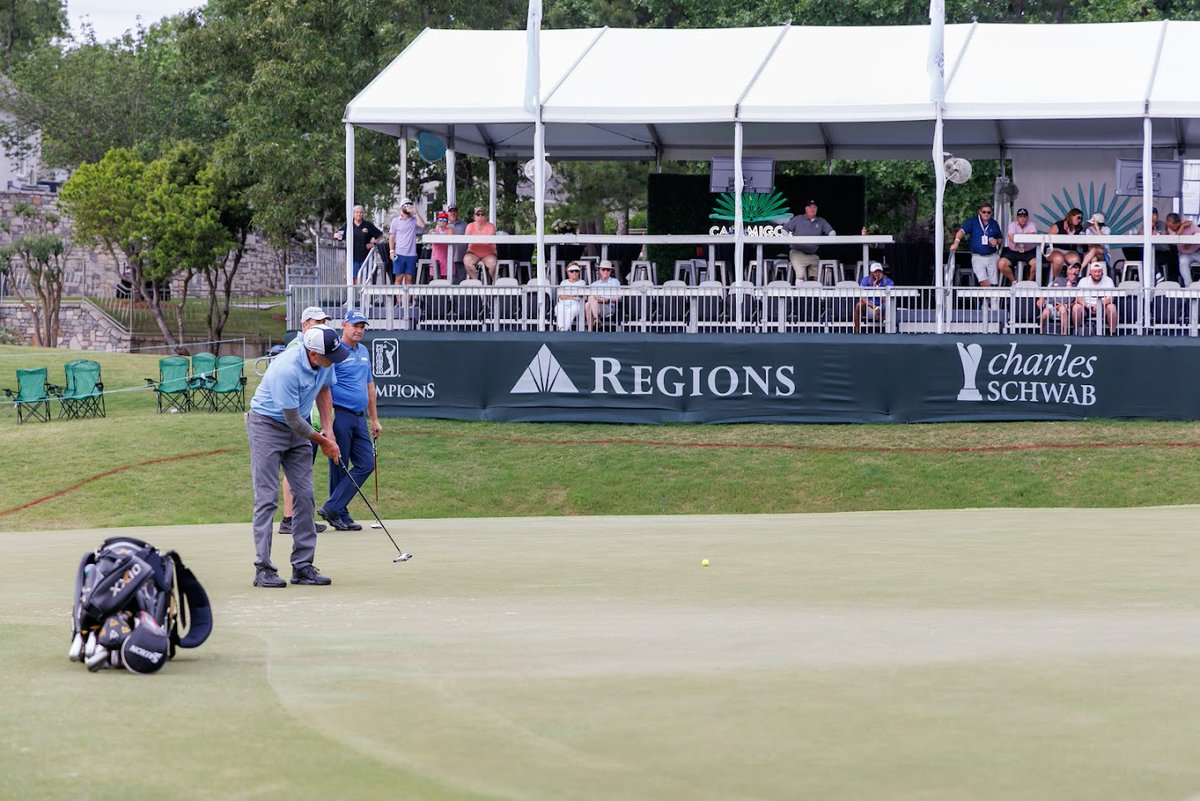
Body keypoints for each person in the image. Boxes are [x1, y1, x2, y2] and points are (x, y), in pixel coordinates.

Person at [246, 324, 347, 588]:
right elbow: (291, 419)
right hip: (267, 425)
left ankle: (302, 567)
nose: (334, 362)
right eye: (330, 357)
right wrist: (323, 442)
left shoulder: (325, 360)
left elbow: (325, 392)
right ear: (313, 354)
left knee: (304, 494)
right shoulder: (287, 368)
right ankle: (263, 569)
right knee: (267, 497)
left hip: (299, 425)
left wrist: (328, 430)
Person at [319, 310, 381, 532]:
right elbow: (325, 386)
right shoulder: (336, 351)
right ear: (344, 325)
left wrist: (374, 419)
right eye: (355, 325)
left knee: (366, 463)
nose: (359, 330)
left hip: (359, 418)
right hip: (340, 415)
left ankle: (333, 507)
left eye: (362, 326)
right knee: (339, 465)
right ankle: (340, 514)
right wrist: (328, 421)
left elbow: (369, 386)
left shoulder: (363, 351)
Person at [279, 306, 334, 537]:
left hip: (309, 418)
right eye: (316, 322)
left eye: (324, 322)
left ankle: (300, 519)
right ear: (304, 326)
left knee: (303, 470)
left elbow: (324, 390)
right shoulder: (296, 348)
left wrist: (328, 427)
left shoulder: (324, 350)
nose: (321, 325)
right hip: (292, 418)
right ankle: (289, 518)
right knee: (295, 470)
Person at [949, 202, 1008, 286]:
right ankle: (992, 296)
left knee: (994, 281)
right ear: (980, 212)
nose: (986, 214)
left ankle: (991, 298)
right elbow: (961, 231)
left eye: (988, 212)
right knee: (982, 280)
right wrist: (956, 242)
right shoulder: (972, 221)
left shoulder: (994, 223)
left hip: (992, 256)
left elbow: (1000, 238)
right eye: (984, 212)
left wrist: (996, 241)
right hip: (977, 256)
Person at [781, 200, 835, 282]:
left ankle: (814, 293)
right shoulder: (798, 219)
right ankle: (799, 294)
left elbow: (831, 232)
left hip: (813, 254)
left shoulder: (821, 221)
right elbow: (784, 229)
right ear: (806, 209)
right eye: (810, 207)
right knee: (800, 274)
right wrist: (788, 239)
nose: (812, 209)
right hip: (797, 253)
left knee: (817, 274)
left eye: (814, 207)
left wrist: (831, 238)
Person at [334, 205, 382, 281]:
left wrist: (373, 244)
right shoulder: (348, 225)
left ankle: (365, 293)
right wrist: (336, 235)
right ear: (353, 214)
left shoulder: (368, 225)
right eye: (357, 212)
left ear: (363, 214)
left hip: (365, 256)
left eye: (361, 212)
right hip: (352, 257)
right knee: (353, 278)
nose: (359, 214)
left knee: (366, 278)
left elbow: (379, 235)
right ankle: (354, 293)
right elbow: (338, 235)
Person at [388, 197, 426, 285]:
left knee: (409, 278)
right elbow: (391, 237)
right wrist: (391, 251)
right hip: (399, 253)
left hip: (411, 254)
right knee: (399, 277)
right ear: (401, 208)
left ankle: (408, 299)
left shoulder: (414, 220)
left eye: (409, 205)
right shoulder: (395, 221)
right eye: (405, 205)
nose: (408, 207)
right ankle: (399, 299)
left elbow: (422, 225)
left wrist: (416, 212)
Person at [1072, 262, 1117, 335]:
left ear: (1102, 272)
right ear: (1090, 272)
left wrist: (1098, 305)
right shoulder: (1083, 281)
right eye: (1095, 272)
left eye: (1099, 271)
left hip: (1103, 307)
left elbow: (1111, 298)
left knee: (1112, 307)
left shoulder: (1108, 280)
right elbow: (1078, 298)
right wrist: (1088, 305)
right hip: (1086, 308)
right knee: (1076, 307)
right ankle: (1076, 332)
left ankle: (1113, 333)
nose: (1097, 274)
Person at [1038, 261, 1080, 335]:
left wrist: (1065, 305)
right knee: (1045, 312)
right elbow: (1046, 291)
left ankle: (1064, 334)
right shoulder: (1058, 280)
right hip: (1052, 305)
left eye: (1078, 268)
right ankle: (1041, 333)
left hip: (1066, 307)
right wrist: (1041, 299)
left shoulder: (1078, 285)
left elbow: (1077, 301)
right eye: (1074, 268)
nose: (1076, 270)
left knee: (1063, 310)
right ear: (1068, 271)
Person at [853, 262, 894, 333]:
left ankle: (890, 329)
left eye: (879, 271)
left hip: (883, 306)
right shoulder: (865, 280)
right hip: (870, 306)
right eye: (875, 272)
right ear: (871, 272)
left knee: (890, 304)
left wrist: (877, 288)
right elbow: (861, 297)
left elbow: (886, 298)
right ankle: (857, 331)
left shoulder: (888, 281)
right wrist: (875, 307)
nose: (877, 273)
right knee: (858, 305)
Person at [1000, 208, 1038, 282]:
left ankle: (1029, 282)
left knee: (1036, 264)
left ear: (1027, 218)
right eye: (1020, 217)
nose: (1022, 218)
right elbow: (1012, 237)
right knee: (1001, 264)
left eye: (1024, 217)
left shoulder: (1031, 224)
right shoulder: (1012, 225)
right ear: (1017, 218)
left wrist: (1018, 236)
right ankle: (1014, 282)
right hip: (1014, 251)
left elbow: (1033, 235)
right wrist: (1026, 236)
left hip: (1029, 252)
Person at [463, 206, 498, 282]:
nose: (480, 216)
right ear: (474, 217)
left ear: (486, 216)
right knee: (466, 260)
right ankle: (477, 282)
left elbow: (489, 240)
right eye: (478, 214)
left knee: (492, 263)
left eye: (482, 214)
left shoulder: (491, 226)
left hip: (489, 253)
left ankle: (493, 283)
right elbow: (465, 239)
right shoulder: (470, 226)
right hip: (473, 253)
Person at [1165, 213, 1200, 287]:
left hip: (1196, 252)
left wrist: (1190, 242)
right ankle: (1189, 286)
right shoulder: (1171, 228)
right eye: (1169, 226)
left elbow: (1198, 234)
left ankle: (1198, 285)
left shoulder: (1190, 224)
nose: (1170, 228)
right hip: (1184, 254)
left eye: (1171, 226)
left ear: (1178, 223)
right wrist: (1182, 226)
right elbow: (1175, 239)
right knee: (1182, 262)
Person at [585, 260, 621, 331]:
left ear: (611, 271)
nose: (605, 272)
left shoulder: (615, 282)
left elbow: (619, 297)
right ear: (600, 270)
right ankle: (596, 319)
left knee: (588, 304)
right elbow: (588, 297)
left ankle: (590, 330)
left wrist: (608, 300)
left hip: (608, 306)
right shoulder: (594, 284)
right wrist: (597, 298)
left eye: (608, 270)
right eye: (603, 269)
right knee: (588, 303)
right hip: (596, 305)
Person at [555, 262, 586, 331]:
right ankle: (561, 329)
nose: (574, 273)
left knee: (570, 311)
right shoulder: (563, 282)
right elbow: (560, 296)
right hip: (563, 303)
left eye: (576, 271)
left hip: (577, 305)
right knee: (560, 309)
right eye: (572, 271)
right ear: (568, 272)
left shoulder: (582, 282)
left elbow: (579, 297)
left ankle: (563, 331)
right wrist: (573, 296)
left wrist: (567, 295)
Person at [445, 203, 468, 282]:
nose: (453, 213)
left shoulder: (465, 225)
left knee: (462, 281)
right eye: (451, 211)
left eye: (455, 211)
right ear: (447, 213)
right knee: (449, 281)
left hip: (461, 257)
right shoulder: (443, 224)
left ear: (457, 212)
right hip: (446, 258)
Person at [428, 211, 452, 280]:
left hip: (446, 258)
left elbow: (451, 238)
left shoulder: (449, 230)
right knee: (435, 279)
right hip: (436, 257)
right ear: (437, 221)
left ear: (447, 222)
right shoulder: (433, 231)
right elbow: (428, 239)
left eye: (444, 220)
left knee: (446, 279)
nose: (442, 222)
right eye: (440, 220)